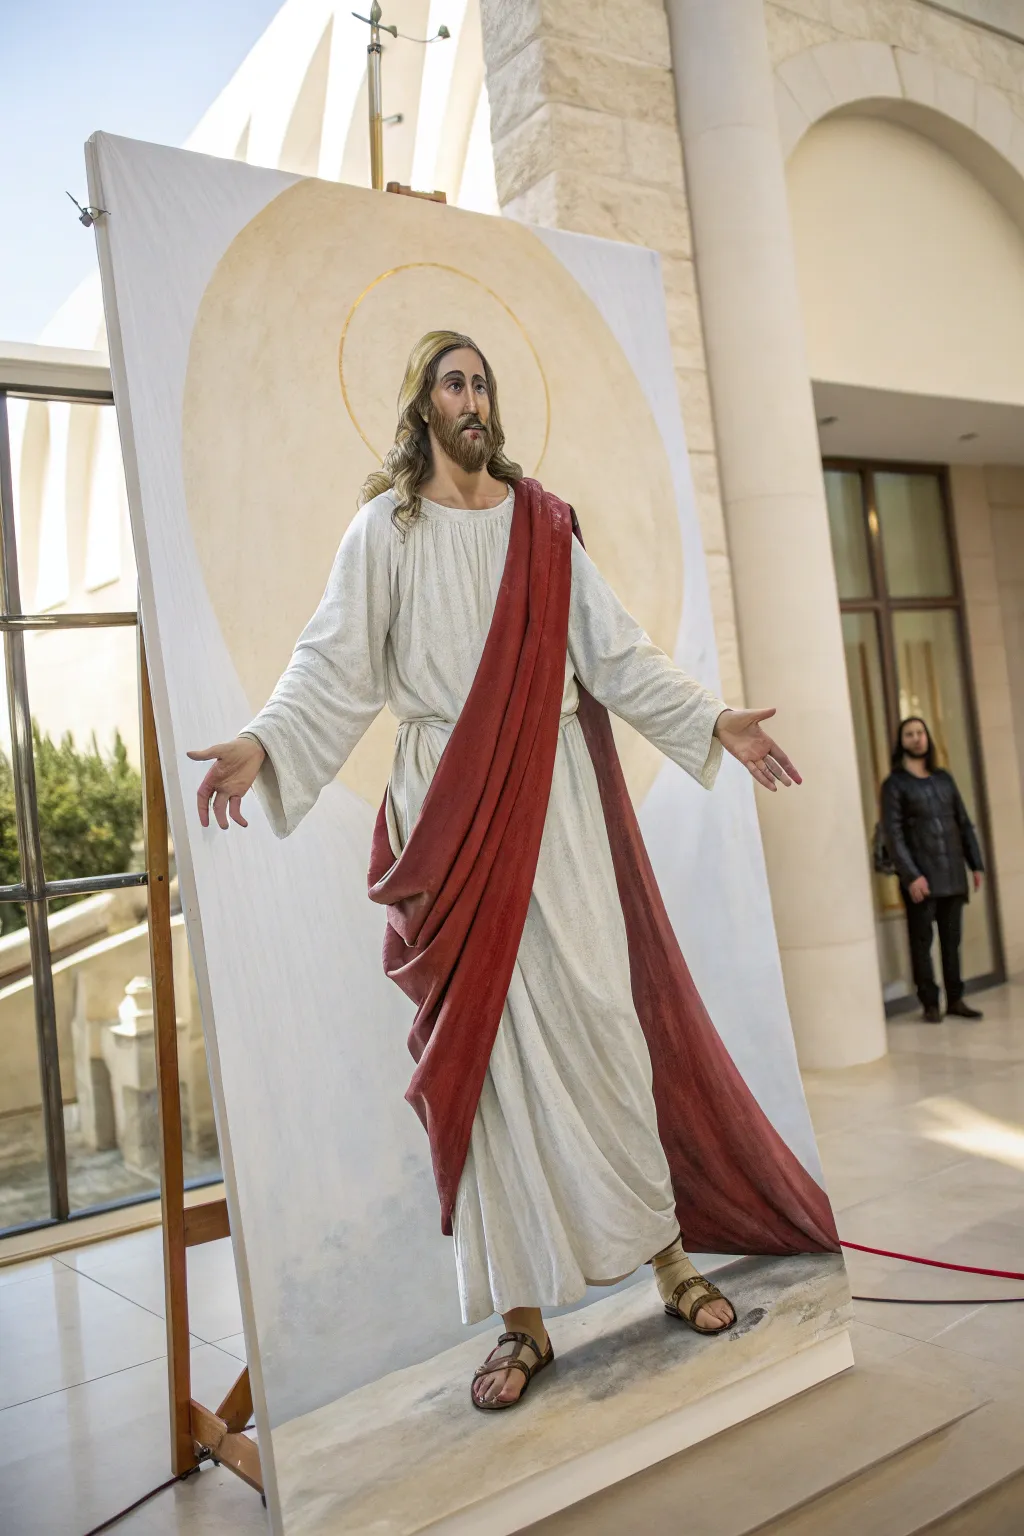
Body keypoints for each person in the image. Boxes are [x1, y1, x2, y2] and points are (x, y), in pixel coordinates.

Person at [188, 330, 838, 1412]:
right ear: (421, 408)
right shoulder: (384, 533)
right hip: (448, 810)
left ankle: (667, 1259)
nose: (473, 397)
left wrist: (714, 720)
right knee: (485, 1072)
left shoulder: (543, 530)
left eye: (483, 381)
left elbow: (616, 652)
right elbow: (332, 663)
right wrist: (265, 741)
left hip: (552, 801)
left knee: (601, 1024)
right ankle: (520, 1321)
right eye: (454, 382)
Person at [881, 716, 985, 1023]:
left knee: (952, 942)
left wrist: (975, 864)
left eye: (920, 733)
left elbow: (963, 823)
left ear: (928, 738)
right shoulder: (894, 785)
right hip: (921, 878)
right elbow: (893, 834)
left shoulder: (944, 779)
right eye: (909, 734)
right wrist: (911, 875)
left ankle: (956, 999)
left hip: (952, 873)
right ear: (902, 742)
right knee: (922, 943)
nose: (916, 738)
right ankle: (929, 1003)